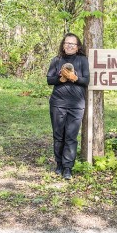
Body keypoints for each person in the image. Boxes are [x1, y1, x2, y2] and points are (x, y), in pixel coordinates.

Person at [47, 33, 90, 180]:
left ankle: (67, 168)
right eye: (67, 43)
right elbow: (49, 80)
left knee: (71, 137)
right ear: (63, 45)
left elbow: (86, 80)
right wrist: (61, 78)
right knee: (59, 136)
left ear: (77, 47)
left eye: (72, 44)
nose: (69, 46)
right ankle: (58, 164)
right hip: (58, 103)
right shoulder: (56, 60)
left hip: (76, 105)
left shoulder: (82, 60)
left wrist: (75, 78)